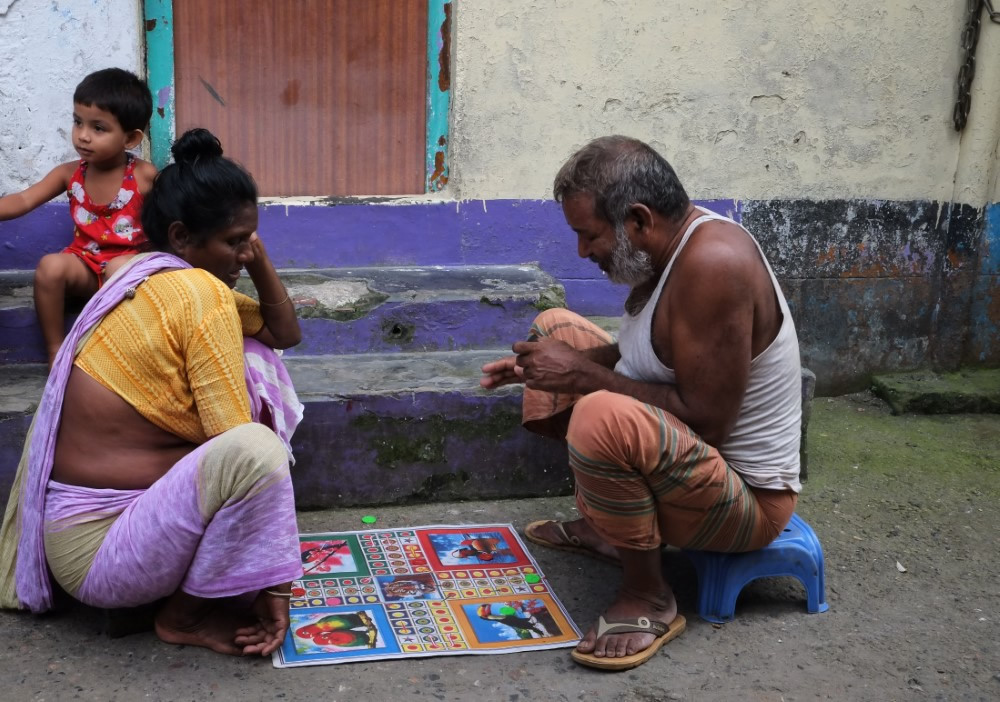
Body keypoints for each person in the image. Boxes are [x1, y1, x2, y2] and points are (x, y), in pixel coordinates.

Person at [481, 136, 802, 671]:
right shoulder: (672, 246)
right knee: (554, 331)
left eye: (589, 235)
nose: (583, 252)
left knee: (599, 411)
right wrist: (552, 365)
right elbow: (645, 355)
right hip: (695, 466)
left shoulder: (713, 263)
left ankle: (649, 595)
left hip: (748, 500)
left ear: (636, 221)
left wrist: (582, 376)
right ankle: (607, 527)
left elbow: (707, 421)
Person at [0, 128, 305, 657]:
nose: (244, 253)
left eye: (249, 241)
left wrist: (256, 260)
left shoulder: (146, 274)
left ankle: (202, 590)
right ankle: (182, 618)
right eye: (236, 242)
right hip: (103, 553)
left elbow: (282, 335)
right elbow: (234, 441)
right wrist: (275, 582)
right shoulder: (197, 292)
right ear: (183, 236)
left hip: (99, 539)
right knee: (258, 450)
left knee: (256, 358)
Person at [0, 68, 157, 365]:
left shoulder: (145, 177)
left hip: (131, 270)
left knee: (119, 267)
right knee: (50, 266)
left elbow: (175, 218)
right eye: (78, 122)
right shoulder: (69, 173)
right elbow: (24, 199)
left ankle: (126, 354)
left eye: (99, 128)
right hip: (85, 266)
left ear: (131, 138)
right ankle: (56, 352)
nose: (83, 136)